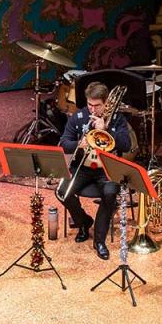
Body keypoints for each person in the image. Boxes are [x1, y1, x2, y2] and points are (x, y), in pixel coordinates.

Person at [55, 82, 133, 260]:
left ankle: (99, 241)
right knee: (61, 192)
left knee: (109, 194)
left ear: (106, 104)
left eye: (97, 105)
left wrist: (105, 129)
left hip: (106, 168)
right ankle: (83, 223)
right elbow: (64, 143)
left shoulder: (117, 119)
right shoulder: (79, 116)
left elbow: (126, 145)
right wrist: (78, 144)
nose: (92, 109)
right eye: (90, 104)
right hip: (82, 166)